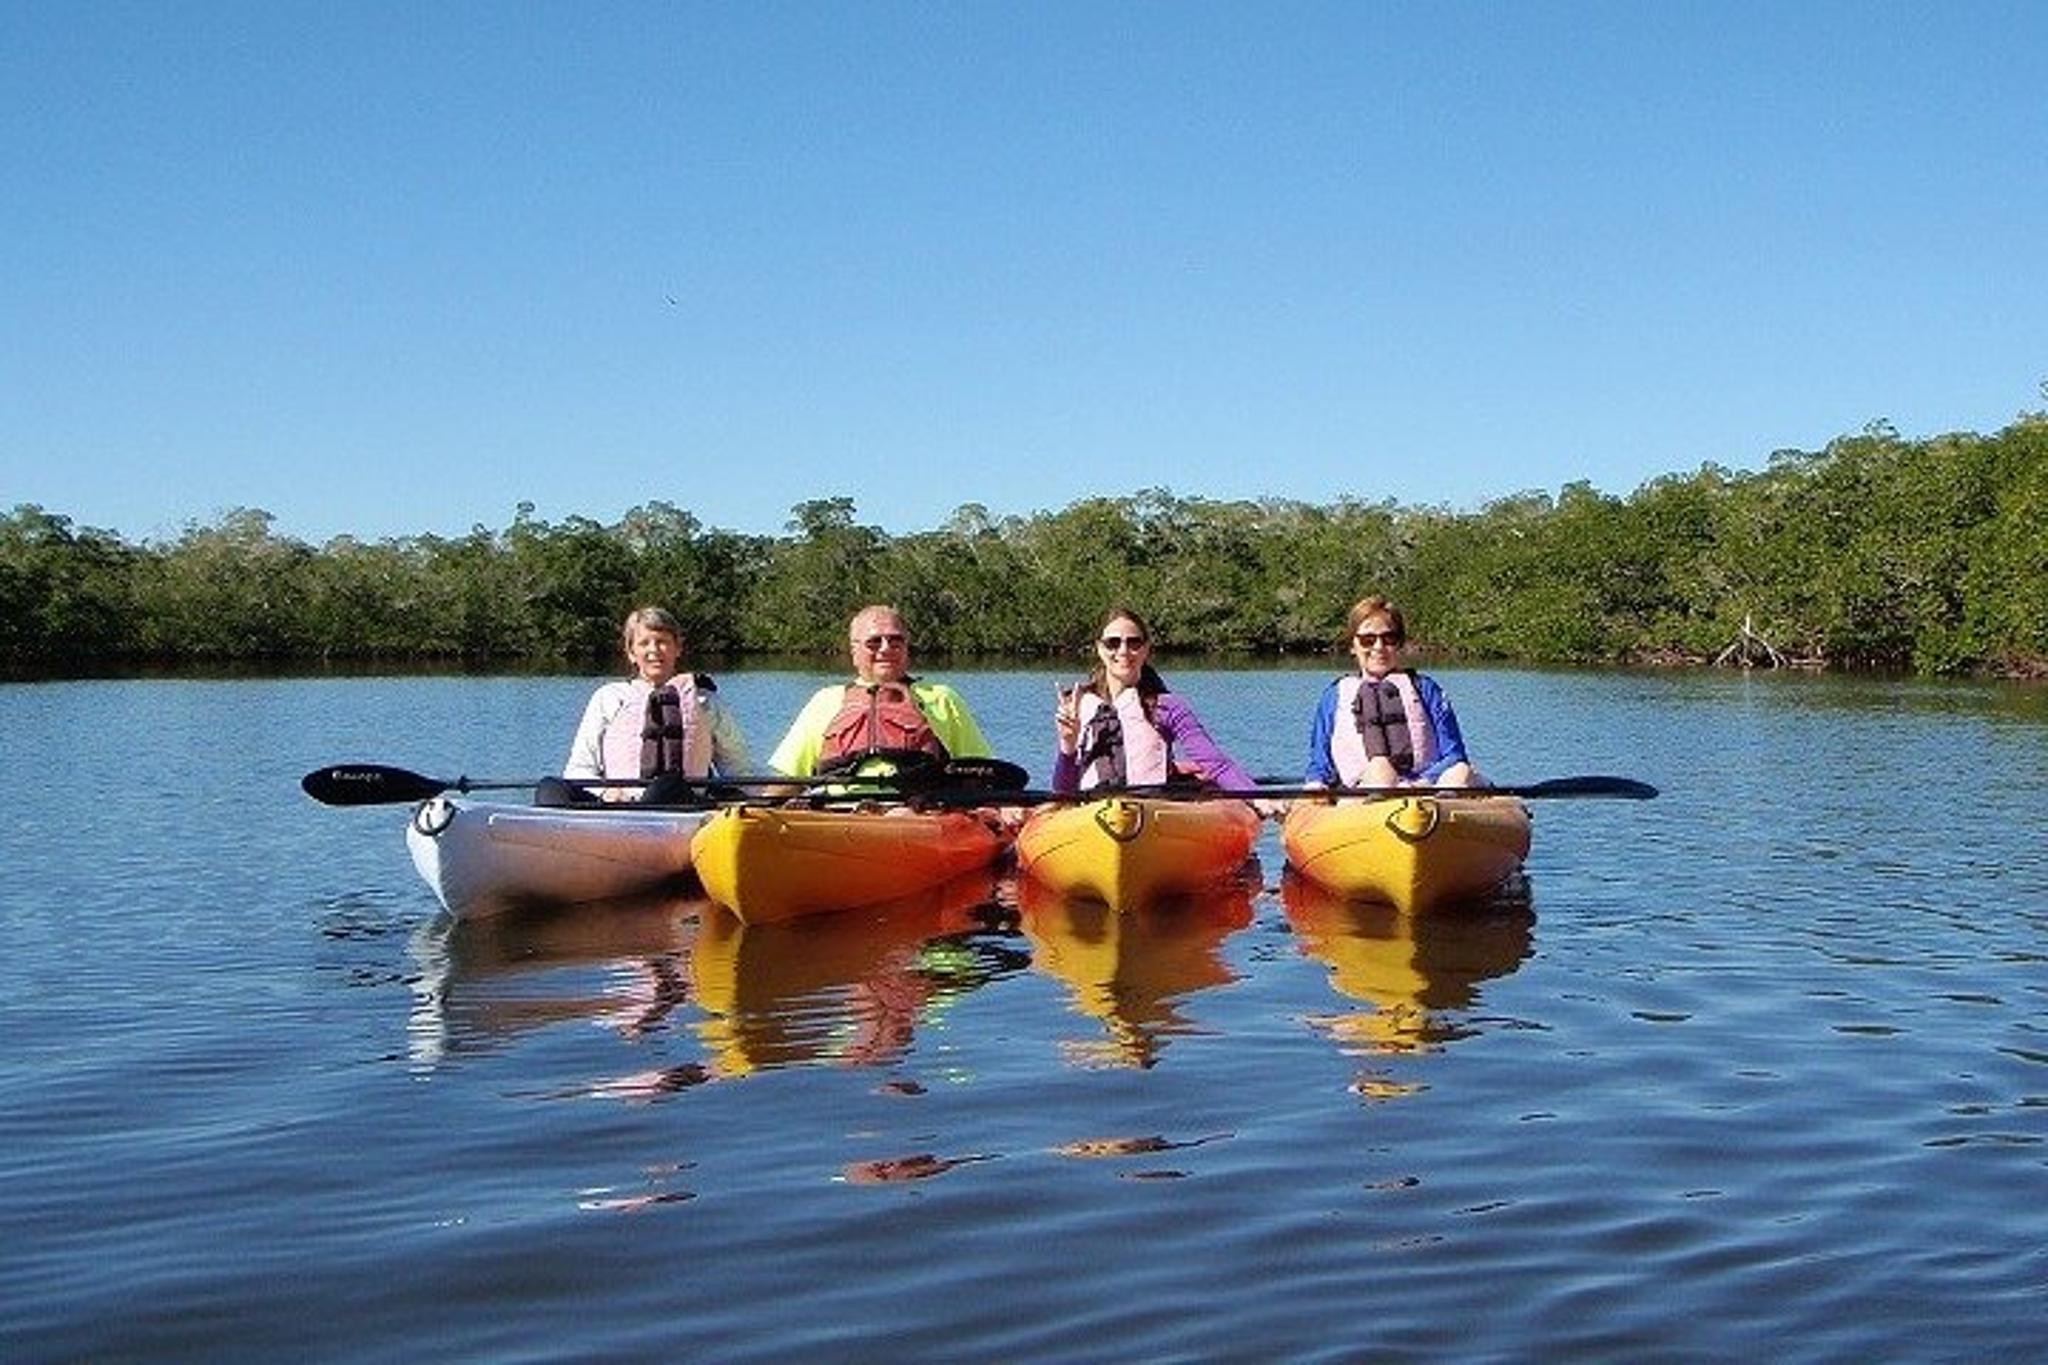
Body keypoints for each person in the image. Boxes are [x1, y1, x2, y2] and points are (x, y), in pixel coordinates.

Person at [768, 604, 993, 778]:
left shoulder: (942, 698)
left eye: (896, 641)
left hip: (920, 812)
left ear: (907, 647)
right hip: (840, 816)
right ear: (854, 650)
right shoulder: (825, 701)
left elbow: (979, 770)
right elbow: (790, 778)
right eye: (874, 642)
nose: (886, 649)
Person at [554, 605, 750, 802]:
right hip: (620, 806)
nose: (654, 650)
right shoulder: (608, 698)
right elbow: (579, 769)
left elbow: (737, 768)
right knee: (551, 788)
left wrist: (768, 795)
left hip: (682, 802)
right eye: (644, 643)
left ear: (678, 648)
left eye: (662, 642)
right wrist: (607, 793)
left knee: (666, 787)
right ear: (631, 653)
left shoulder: (705, 701)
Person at [1052, 607, 1257, 793]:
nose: (1123, 651)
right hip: (1092, 814)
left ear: (1146, 649)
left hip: (1152, 811)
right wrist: (1067, 745)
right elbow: (1063, 792)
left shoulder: (1167, 706)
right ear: (1099, 648)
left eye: (1134, 642)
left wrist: (1258, 799)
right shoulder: (1077, 705)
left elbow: (1215, 763)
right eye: (1113, 643)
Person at [1303, 595, 1478, 789]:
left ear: (1399, 643)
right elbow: (1320, 764)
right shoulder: (1334, 696)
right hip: (1362, 794)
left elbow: (1454, 754)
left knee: (1461, 771)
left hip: (1424, 789)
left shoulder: (1426, 690)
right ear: (1353, 645)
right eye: (1368, 640)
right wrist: (1315, 786)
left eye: (1389, 638)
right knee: (1381, 770)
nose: (1379, 647)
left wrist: (1422, 783)